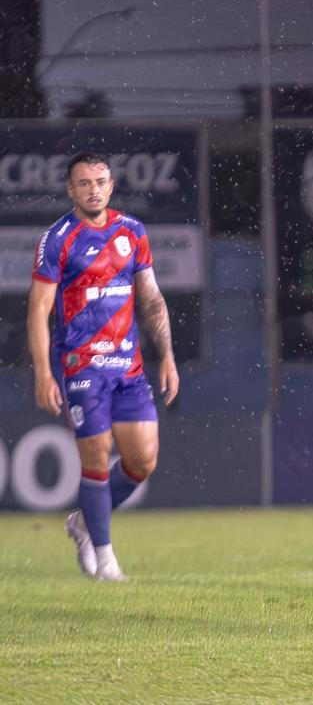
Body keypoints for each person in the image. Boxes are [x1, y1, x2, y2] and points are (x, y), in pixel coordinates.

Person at [27, 152, 179, 581]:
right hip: (81, 366)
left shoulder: (131, 231)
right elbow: (38, 311)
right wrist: (43, 371)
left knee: (142, 461)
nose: (93, 189)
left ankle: (81, 522)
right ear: (70, 190)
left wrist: (167, 355)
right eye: (84, 182)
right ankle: (106, 559)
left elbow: (150, 298)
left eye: (100, 181)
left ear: (111, 185)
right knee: (96, 455)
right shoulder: (57, 239)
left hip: (128, 367)